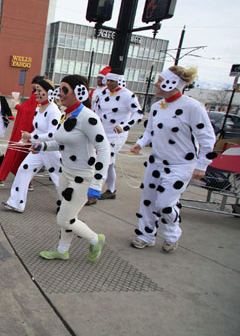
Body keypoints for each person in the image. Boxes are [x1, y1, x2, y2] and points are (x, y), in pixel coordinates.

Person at [130, 66, 217, 253]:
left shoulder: (192, 107)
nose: (156, 84)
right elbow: (149, 132)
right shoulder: (156, 107)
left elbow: (207, 137)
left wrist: (202, 165)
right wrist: (140, 143)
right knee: (148, 201)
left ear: (174, 83)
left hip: (181, 165)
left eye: (161, 80)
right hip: (156, 163)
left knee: (165, 204)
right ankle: (146, 235)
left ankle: (171, 234)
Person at [36, 75, 110, 261]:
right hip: (66, 173)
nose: (59, 93)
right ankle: (62, 250)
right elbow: (63, 143)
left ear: (79, 92)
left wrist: (97, 183)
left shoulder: (88, 117)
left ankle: (95, 239)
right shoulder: (66, 114)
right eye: (60, 88)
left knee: (64, 218)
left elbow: (103, 148)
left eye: (64, 89)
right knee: (68, 213)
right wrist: (43, 146)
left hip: (82, 177)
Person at [3, 78, 61, 213]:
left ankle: (68, 206)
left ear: (49, 93)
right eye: (35, 90)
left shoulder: (54, 111)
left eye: (39, 90)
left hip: (51, 149)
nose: (36, 93)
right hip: (39, 150)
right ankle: (16, 202)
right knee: (23, 169)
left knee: (59, 178)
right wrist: (27, 139)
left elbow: (53, 135)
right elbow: (37, 130)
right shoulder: (39, 109)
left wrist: (32, 137)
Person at [87, 71, 143, 205]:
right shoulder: (102, 93)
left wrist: (124, 126)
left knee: (104, 161)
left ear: (119, 81)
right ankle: (111, 190)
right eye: (108, 80)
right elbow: (95, 111)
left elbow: (138, 114)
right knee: (110, 163)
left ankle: (94, 193)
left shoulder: (128, 95)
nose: (109, 83)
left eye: (112, 81)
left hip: (117, 134)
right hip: (102, 132)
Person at [0, 75, 43, 186]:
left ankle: (7, 178)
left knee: (17, 153)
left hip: (28, 130)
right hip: (34, 132)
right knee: (25, 156)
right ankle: (27, 182)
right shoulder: (41, 97)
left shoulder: (36, 95)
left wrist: (17, 105)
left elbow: (28, 109)